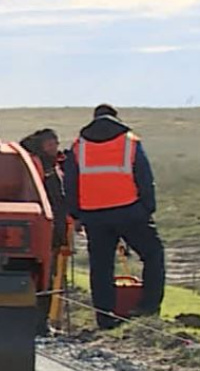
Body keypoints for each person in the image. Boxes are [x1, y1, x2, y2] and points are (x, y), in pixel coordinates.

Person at [62, 104, 166, 329]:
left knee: (101, 267)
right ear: (116, 118)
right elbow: (144, 177)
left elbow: (70, 183)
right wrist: (147, 209)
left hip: (95, 216)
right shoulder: (130, 143)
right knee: (153, 254)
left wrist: (76, 214)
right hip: (130, 212)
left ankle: (104, 316)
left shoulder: (79, 146)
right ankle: (148, 308)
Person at [20, 128, 71, 334]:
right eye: (51, 144)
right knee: (42, 278)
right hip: (42, 231)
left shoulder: (50, 164)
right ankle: (39, 325)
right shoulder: (36, 164)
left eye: (56, 143)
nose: (55, 147)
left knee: (45, 277)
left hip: (50, 229)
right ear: (41, 145)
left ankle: (40, 323)